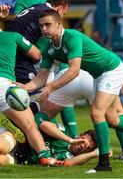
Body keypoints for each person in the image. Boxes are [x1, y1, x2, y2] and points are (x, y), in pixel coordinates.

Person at [17, 9, 123, 172]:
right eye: (41, 26)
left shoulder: (72, 37)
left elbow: (74, 70)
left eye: (48, 24)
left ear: (59, 23)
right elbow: (40, 78)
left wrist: (51, 87)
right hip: (97, 75)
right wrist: (24, 88)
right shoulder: (49, 50)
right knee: (112, 120)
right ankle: (103, 162)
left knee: (96, 113)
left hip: (111, 70)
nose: (44, 29)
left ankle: (104, 164)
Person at [0, 30, 84, 167]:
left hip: (19, 152)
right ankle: (45, 157)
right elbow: (37, 55)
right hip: (3, 83)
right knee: (30, 125)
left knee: (5, 155)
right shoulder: (11, 36)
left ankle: (15, 129)